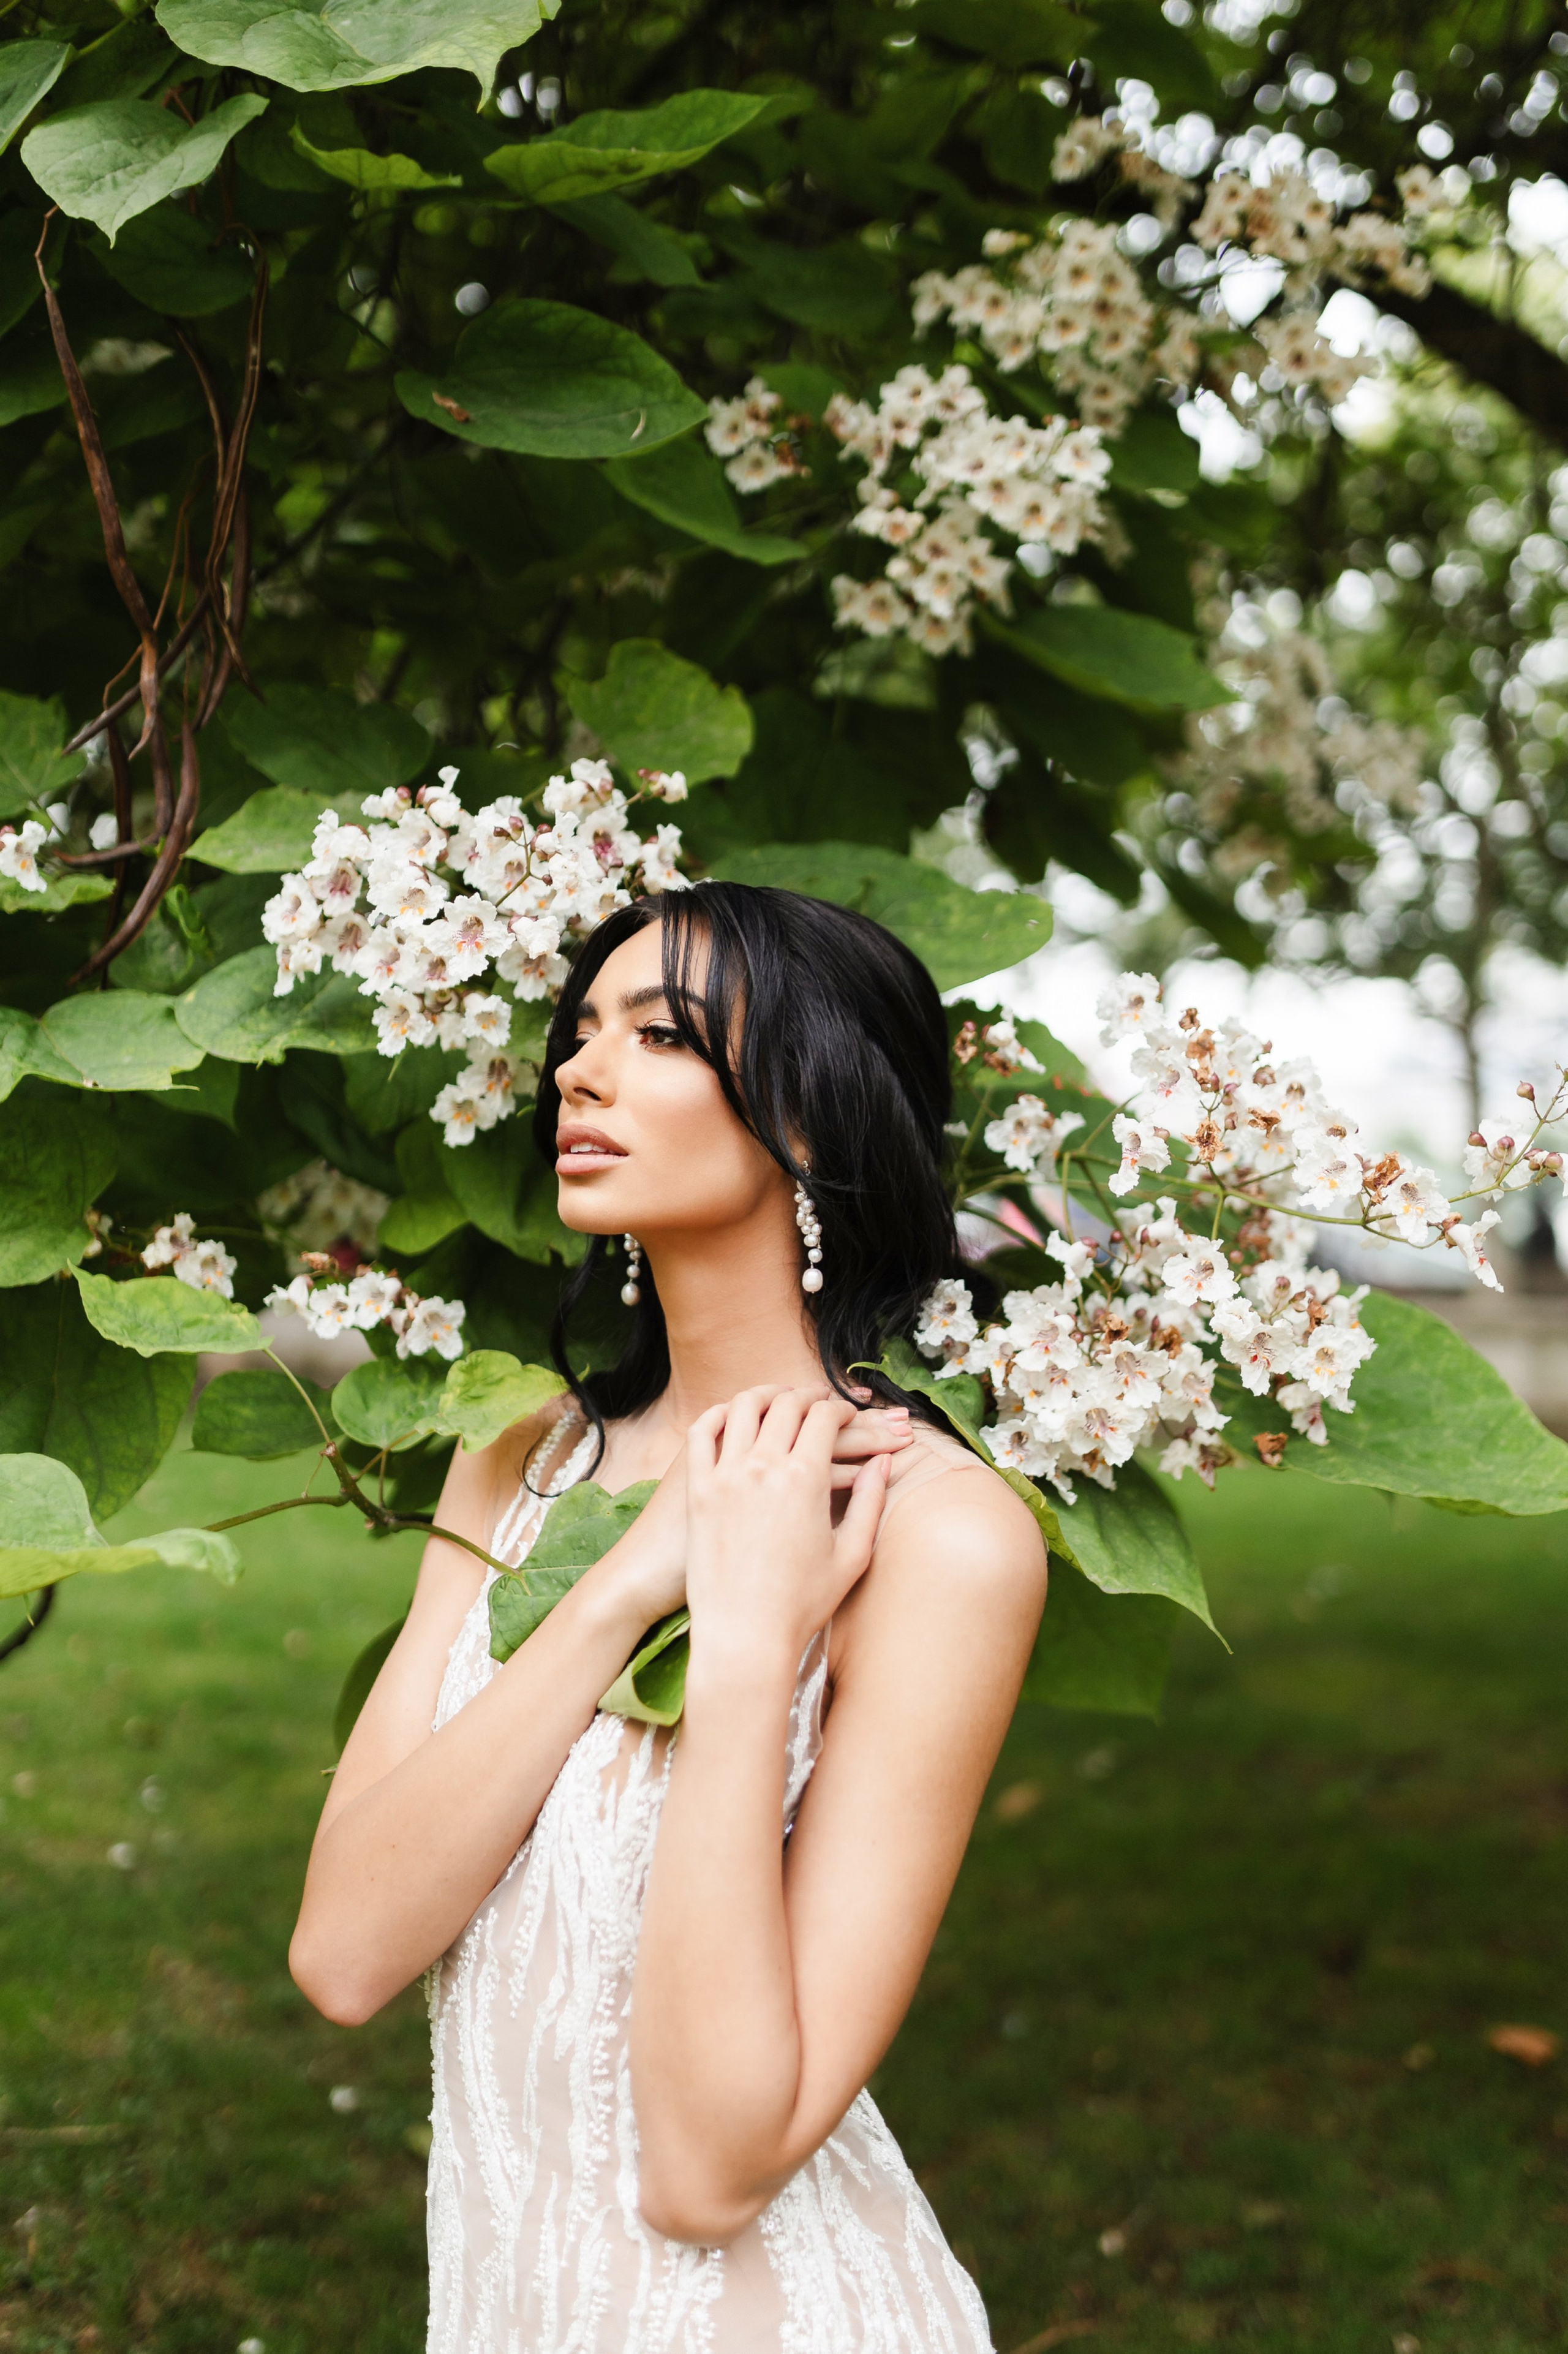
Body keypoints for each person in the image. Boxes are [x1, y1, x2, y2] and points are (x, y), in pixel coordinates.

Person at [290, 882, 1048, 2353]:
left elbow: (710, 2168)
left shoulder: (936, 1536)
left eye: (660, 1035)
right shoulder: (515, 1456)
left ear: (814, 1118)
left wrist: (753, 1645)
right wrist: (631, 1579)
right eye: (580, 1029)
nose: (576, 1068)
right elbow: (345, 1952)